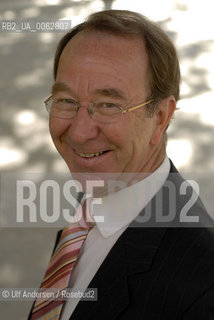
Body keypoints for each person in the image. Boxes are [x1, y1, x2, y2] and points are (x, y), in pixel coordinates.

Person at [29, 10, 214, 319]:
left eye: (109, 105)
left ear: (160, 118)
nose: (79, 132)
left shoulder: (202, 284)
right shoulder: (87, 211)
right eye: (66, 101)